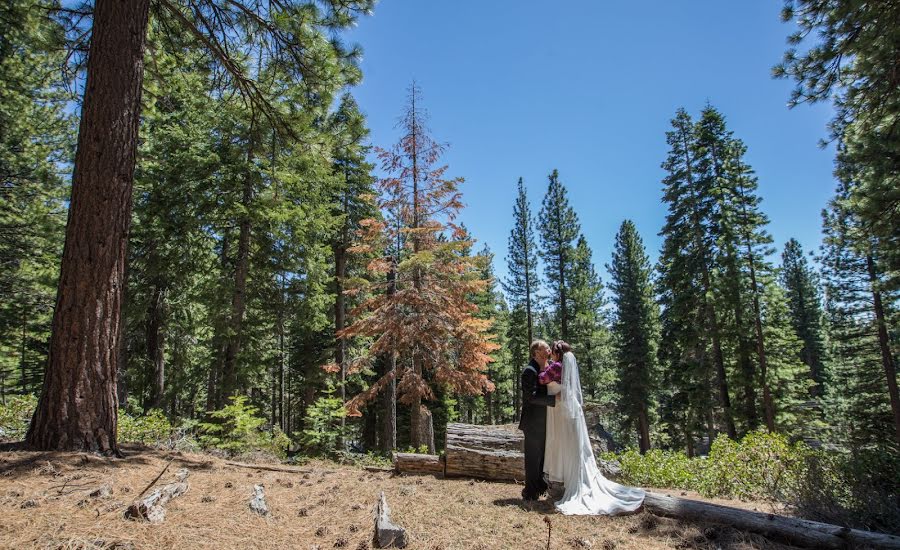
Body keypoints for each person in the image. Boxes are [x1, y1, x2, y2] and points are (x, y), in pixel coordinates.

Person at [542, 341, 645, 515]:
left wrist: (544, 366)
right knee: (575, 447)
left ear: (557, 354)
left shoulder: (556, 367)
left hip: (562, 411)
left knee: (566, 445)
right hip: (571, 409)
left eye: (552, 352)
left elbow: (542, 379)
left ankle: (570, 483)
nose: (550, 355)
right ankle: (574, 479)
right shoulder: (565, 365)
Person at [517, 339, 557, 501]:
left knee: (543, 457)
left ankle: (540, 487)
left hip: (545, 422)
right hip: (533, 423)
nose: (549, 349)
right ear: (537, 353)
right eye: (545, 347)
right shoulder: (529, 371)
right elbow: (531, 397)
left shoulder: (548, 368)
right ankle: (530, 492)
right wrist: (553, 400)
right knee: (533, 459)